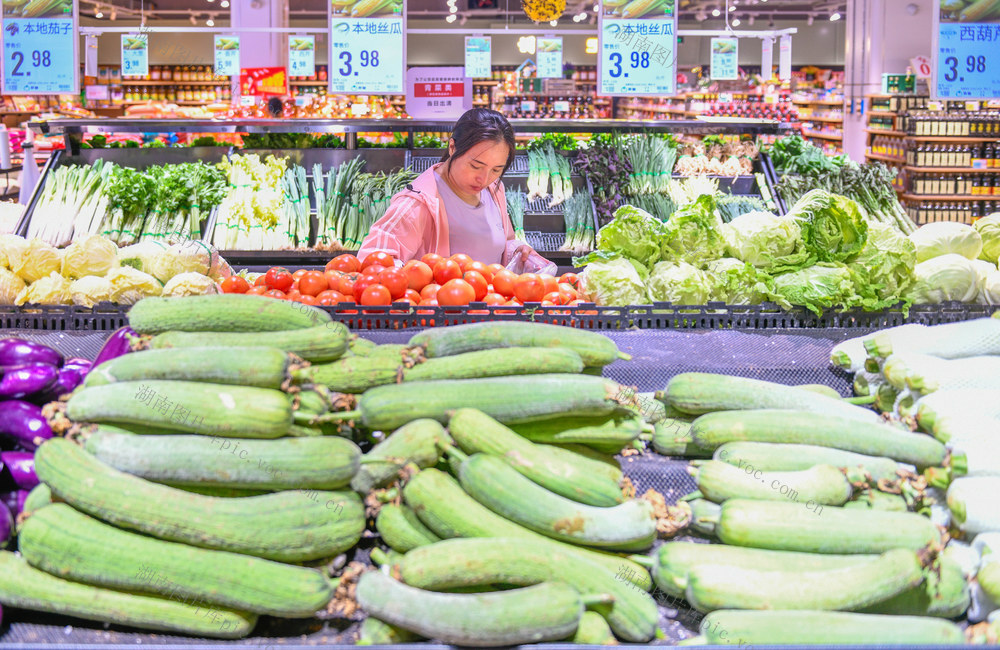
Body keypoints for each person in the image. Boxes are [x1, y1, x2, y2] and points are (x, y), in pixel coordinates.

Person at [357, 108, 546, 267]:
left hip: (490, 300)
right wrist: (414, 279)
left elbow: (506, 240)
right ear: (452, 148)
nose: (484, 179)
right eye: (475, 166)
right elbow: (372, 260)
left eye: (496, 169)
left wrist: (516, 250)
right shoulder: (417, 204)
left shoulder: (494, 190)